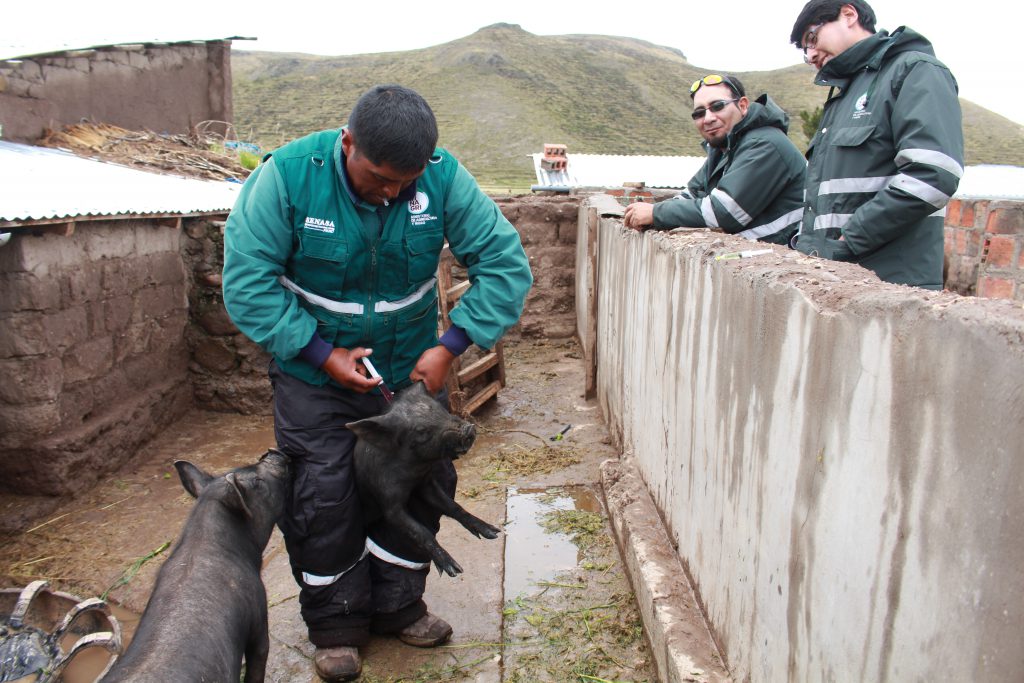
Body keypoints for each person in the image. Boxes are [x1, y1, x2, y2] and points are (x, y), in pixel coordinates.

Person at [222, 84, 532, 682]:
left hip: (410, 372)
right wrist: (319, 352)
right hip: (315, 374)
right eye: (379, 177)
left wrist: (451, 346)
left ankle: (398, 606)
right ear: (348, 143)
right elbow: (247, 285)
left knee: (420, 482)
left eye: (404, 182)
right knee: (324, 491)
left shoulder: (442, 178)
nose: (391, 192)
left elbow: (505, 267)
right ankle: (337, 625)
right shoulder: (286, 178)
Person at [790, 0, 963, 289]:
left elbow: (933, 175)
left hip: (890, 285)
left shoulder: (914, 71)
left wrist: (849, 240)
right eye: (804, 50)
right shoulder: (843, 96)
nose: (811, 55)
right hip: (837, 280)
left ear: (848, 15)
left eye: (812, 38)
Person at [623, 74, 806, 245]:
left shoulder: (765, 144)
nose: (708, 118)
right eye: (699, 113)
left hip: (784, 259)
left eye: (717, 106)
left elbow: (724, 213)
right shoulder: (724, 148)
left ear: (742, 106)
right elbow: (692, 194)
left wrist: (656, 213)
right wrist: (652, 214)